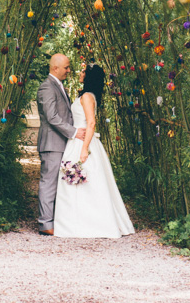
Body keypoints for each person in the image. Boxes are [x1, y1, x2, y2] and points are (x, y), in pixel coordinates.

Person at [54, 64, 135, 238]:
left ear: (90, 77)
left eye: (84, 72)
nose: (80, 73)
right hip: (75, 140)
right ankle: (73, 223)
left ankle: (93, 223)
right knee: (74, 182)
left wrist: (84, 149)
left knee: (88, 182)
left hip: (84, 143)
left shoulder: (88, 97)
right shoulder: (85, 95)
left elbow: (91, 123)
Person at [36, 54, 86, 236]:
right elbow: (52, 117)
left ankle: (55, 220)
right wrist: (73, 132)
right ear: (55, 68)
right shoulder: (46, 87)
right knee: (48, 182)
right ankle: (45, 224)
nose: (69, 70)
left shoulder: (58, 86)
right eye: (66, 67)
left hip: (61, 142)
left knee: (57, 183)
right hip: (52, 143)